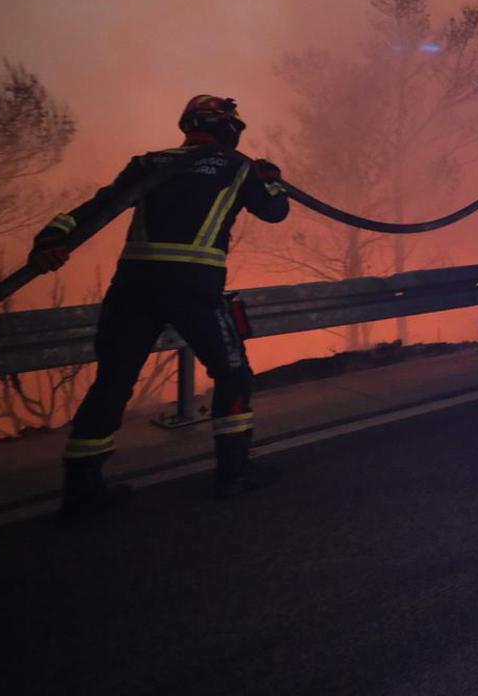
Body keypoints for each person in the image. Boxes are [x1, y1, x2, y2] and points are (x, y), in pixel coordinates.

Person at [28, 95, 290, 519]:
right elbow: (276, 211)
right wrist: (272, 179)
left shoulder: (149, 163)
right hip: (193, 287)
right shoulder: (238, 167)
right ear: (225, 126)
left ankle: (81, 493)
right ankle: (234, 473)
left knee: (112, 381)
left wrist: (52, 237)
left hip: (133, 285)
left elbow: (101, 205)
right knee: (233, 374)